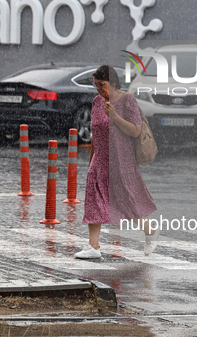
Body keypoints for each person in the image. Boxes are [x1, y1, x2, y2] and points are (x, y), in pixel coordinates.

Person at [74, 65, 159, 259]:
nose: (98, 89)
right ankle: (93, 247)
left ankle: (150, 230)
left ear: (113, 83)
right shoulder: (97, 102)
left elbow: (136, 131)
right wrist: (91, 162)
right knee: (94, 201)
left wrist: (115, 116)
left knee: (127, 202)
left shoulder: (128, 100)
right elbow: (96, 133)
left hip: (122, 161)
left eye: (101, 85)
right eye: (95, 85)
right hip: (100, 160)